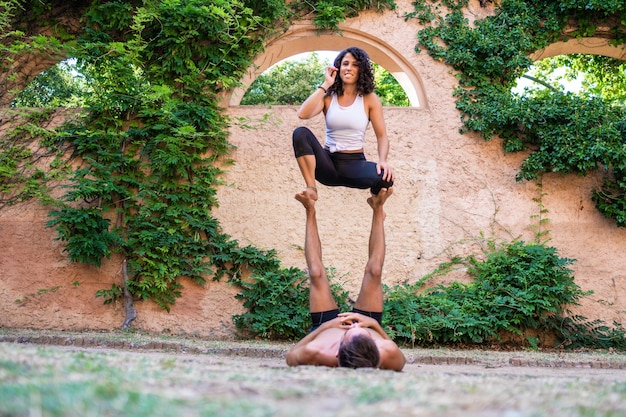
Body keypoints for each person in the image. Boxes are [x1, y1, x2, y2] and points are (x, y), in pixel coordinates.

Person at [286, 188, 406, 371]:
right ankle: (378, 208)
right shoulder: (386, 352)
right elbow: (401, 359)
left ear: (337, 351)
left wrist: (326, 326)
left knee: (316, 273)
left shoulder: (316, 352)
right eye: (362, 333)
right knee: (374, 271)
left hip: (325, 326)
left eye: (349, 333)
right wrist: (373, 325)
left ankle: (310, 210)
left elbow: (290, 355)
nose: (353, 326)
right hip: (368, 319)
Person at [292, 47, 395, 201]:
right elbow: (303, 114)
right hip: (328, 165)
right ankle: (311, 188)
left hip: (354, 165)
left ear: (361, 70)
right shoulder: (328, 97)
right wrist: (325, 85)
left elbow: (382, 136)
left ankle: (376, 202)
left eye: (355, 64)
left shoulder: (369, 99)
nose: (349, 68)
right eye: (345, 64)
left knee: (386, 178)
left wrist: (383, 161)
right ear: (338, 68)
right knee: (300, 133)